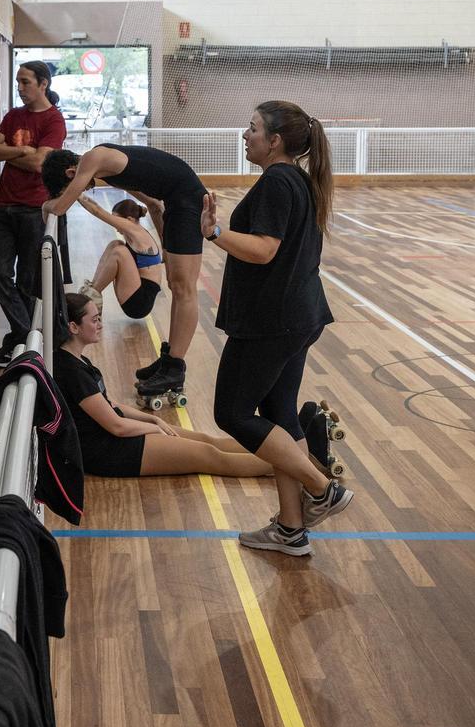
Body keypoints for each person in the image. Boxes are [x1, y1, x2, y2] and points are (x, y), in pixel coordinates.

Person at [201, 101, 353, 557]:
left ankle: (322, 488)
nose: (244, 135)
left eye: (252, 129)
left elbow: (264, 249)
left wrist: (214, 233)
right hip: (298, 316)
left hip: (272, 321)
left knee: (232, 413)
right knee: (279, 414)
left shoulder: (277, 181)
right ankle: (290, 528)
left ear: (274, 141)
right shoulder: (298, 180)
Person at [41, 143, 206, 397]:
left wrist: (46, 206)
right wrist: (161, 230)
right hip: (177, 201)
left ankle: (175, 368)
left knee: (184, 288)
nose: (81, 190)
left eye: (74, 187)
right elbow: (151, 199)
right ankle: (170, 360)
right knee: (176, 284)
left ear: (72, 173)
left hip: (187, 199)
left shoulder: (93, 158)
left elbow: (60, 207)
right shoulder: (106, 167)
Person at [54, 293, 270, 480]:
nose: (100, 324)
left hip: (116, 436)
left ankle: (282, 454)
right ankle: (284, 468)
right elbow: (117, 426)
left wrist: (152, 419)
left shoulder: (80, 361)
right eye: (94, 320)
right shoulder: (71, 371)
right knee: (210, 456)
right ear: (73, 327)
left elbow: (110, 404)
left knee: (208, 441)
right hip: (109, 451)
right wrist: (154, 429)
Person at [0, 61, 67, 368]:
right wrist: (22, 151)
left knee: (27, 281)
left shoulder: (54, 120)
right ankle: (26, 335)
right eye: (18, 81)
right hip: (3, 207)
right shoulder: (13, 116)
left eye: (25, 82)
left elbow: (39, 164)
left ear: (43, 84)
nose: (19, 87)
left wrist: (10, 152)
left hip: (34, 208)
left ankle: (20, 342)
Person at [76, 197, 163, 320]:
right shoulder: (134, 230)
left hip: (140, 303)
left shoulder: (135, 230)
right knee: (115, 244)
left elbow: (97, 211)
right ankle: (91, 291)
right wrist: (80, 194)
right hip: (136, 290)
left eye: (117, 221)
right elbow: (96, 205)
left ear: (129, 220)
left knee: (120, 252)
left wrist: (74, 194)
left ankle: (92, 298)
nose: (116, 227)